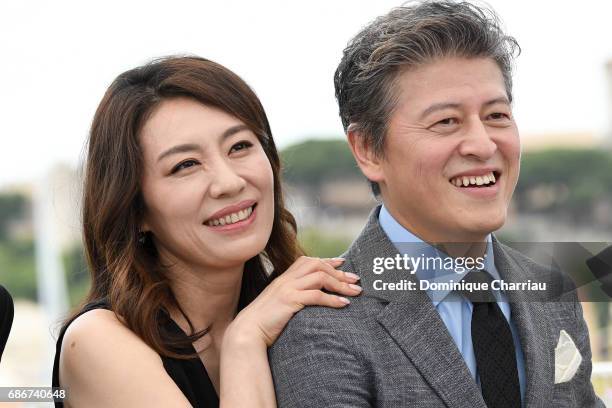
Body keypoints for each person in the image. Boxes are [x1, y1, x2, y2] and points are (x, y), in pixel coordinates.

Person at [269, 1, 605, 407]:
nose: (483, 144)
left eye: (497, 115)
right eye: (446, 121)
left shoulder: (552, 292)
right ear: (368, 150)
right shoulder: (322, 324)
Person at [51, 56, 363, 408]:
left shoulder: (300, 309)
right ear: (135, 209)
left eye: (240, 146)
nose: (229, 183)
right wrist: (244, 342)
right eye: (185, 165)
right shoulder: (100, 342)